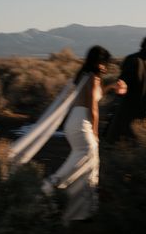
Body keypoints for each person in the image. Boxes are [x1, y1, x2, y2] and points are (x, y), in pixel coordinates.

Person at [41, 45, 126, 223]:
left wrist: (111, 86)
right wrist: (95, 132)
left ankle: (80, 210)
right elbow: (93, 108)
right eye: (104, 63)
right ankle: (49, 189)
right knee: (84, 157)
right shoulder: (92, 78)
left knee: (90, 161)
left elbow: (97, 96)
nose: (105, 67)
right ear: (98, 62)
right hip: (82, 123)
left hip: (76, 122)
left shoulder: (85, 76)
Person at [105, 31, 146, 142]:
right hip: (129, 115)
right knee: (124, 148)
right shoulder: (133, 60)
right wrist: (122, 87)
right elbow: (124, 80)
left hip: (145, 116)